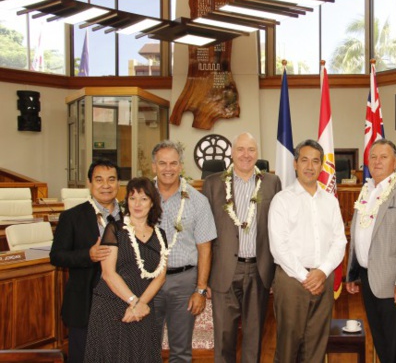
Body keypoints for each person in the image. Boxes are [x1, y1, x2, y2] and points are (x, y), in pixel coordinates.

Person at [203, 132, 281, 363]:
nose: (246, 155)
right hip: (224, 270)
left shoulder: (271, 182)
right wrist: (203, 278)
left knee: (254, 335)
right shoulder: (213, 183)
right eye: (240, 149)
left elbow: (278, 227)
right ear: (232, 153)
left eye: (251, 150)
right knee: (224, 336)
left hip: (259, 269)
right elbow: (203, 233)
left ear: (257, 154)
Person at [268, 139, 347, 363]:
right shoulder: (282, 200)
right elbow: (278, 246)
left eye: (315, 161)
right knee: (288, 347)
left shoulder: (330, 201)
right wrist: (306, 277)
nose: (310, 166)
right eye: (304, 160)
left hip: (323, 278)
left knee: (316, 346)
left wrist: (321, 272)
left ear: (322, 166)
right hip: (292, 280)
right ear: (295, 164)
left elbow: (339, 241)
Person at [346, 139, 396, 363]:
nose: (377, 161)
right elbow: (359, 233)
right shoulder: (366, 190)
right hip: (367, 276)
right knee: (380, 340)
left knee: (393, 345)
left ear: (395, 162)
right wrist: (353, 272)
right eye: (373, 157)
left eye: (384, 157)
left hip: (392, 283)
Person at [84, 177, 167, 362]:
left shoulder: (160, 235)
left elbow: (160, 276)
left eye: (143, 198)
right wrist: (133, 301)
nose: (137, 204)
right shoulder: (114, 229)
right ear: (126, 201)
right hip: (112, 306)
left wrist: (141, 304)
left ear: (152, 202)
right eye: (132, 198)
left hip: (143, 308)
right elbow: (108, 273)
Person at [152, 140, 217, 363]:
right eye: (162, 163)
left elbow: (205, 247)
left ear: (181, 166)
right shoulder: (140, 199)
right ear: (154, 166)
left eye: (173, 163)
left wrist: (200, 289)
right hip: (148, 281)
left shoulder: (198, 201)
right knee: (146, 347)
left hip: (183, 281)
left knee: (180, 352)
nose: (168, 168)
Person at [50, 159, 121, 363]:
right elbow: (57, 256)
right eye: (99, 180)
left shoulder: (130, 216)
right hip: (84, 304)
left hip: (121, 302)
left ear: (118, 183)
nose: (105, 185)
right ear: (89, 183)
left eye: (111, 179)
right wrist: (87, 255)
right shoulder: (72, 217)